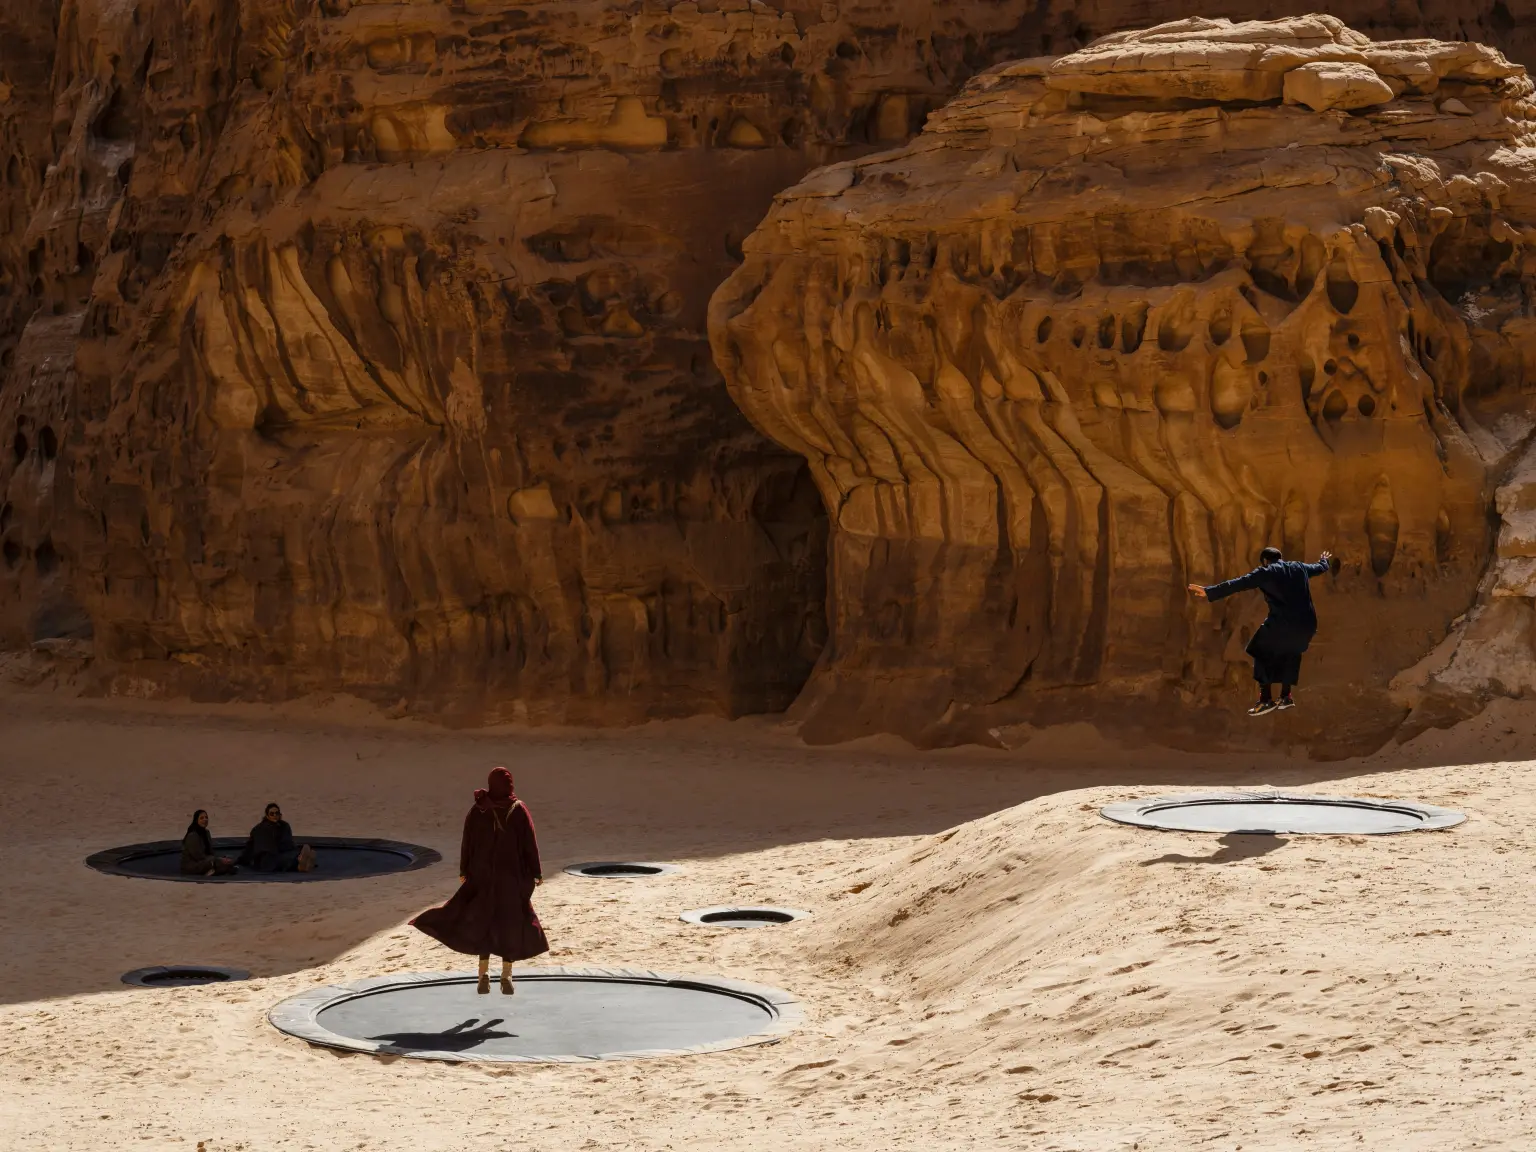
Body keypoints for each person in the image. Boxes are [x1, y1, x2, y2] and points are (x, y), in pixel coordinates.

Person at [411, 767, 548, 995]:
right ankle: (506, 975)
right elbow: (529, 844)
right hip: (510, 878)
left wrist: (465, 869)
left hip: (482, 876)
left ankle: (483, 974)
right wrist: (537, 872)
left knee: (483, 921)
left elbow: (468, 842)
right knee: (509, 923)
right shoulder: (519, 809)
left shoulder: (478, 810)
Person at [1189, 546, 1333, 716]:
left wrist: (1209, 592)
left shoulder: (1266, 572)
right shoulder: (1299, 567)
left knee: (1259, 649)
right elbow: (1320, 567)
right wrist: (1324, 559)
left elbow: (1238, 584)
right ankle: (1285, 696)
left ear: (1265, 561)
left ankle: (1265, 700)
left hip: (1283, 623)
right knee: (1290, 652)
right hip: (1307, 624)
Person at [236, 803, 316, 873]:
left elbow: (250, 846)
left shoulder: (283, 826)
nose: (275, 816)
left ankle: (301, 861)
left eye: (276, 813)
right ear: (267, 815)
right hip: (265, 860)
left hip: (272, 856)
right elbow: (251, 846)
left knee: (288, 857)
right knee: (285, 859)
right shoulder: (260, 829)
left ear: (280, 814)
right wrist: (242, 860)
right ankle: (300, 863)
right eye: (272, 814)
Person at [180, 810, 238, 876]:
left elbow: (211, 851)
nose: (205, 819)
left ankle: (214, 870)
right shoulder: (193, 835)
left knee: (229, 860)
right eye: (201, 818)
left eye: (206, 817)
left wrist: (221, 859)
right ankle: (215, 870)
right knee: (217, 863)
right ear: (196, 820)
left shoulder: (206, 833)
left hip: (206, 860)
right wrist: (216, 860)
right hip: (193, 864)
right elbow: (198, 856)